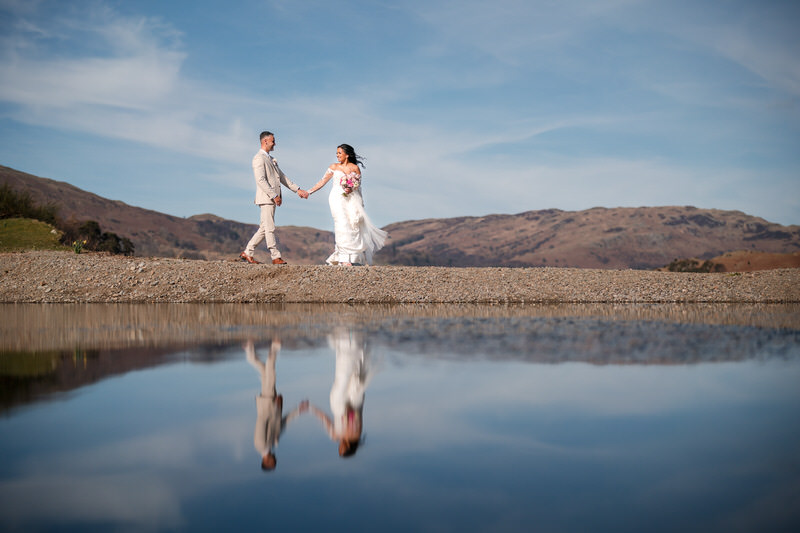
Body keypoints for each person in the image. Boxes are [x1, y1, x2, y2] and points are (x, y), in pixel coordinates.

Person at [307, 144, 387, 266]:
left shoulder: (355, 168)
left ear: (347, 155)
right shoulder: (334, 167)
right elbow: (322, 181)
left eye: (340, 153)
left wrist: (354, 193)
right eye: (337, 153)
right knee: (341, 223)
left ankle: (353, 258)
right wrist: (309, 192)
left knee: (352, 226)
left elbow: (358, 187)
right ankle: (344, 258)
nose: (337, 155)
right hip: (336, 198)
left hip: (351, 200)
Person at [241, 131, 309, 265]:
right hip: (266, 198)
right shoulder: (259, 158)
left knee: (264, 228)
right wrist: (274, 195)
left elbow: (282, 177)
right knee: (270, 227)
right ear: (265, 141)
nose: (275, 143)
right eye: (273, 141)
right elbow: (260, 180)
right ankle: (275, 256)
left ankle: (247, 252)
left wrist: (297, 189)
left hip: (271, 198)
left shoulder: (271, 159)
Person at [308, 328, 375, 457]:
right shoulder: (355, 435)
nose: (340, 446)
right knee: (355, 375)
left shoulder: (336, 436)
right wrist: (349, 414)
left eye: (339, 448)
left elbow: (325, 420)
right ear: (348, 447)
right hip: (352, 404)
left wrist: (312, 408)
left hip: (338, 405)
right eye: (341, 449)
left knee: (343, 373)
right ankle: (353, 339)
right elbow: (356, 418)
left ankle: (344, 338)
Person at [245, 339, 308, 471]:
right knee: (264, 372)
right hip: (271, 402)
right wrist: (298, 410)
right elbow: (284, 422)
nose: (275, 461)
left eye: (273, 464)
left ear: (266, 462)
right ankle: (249, 353)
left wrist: (275, 405)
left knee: (271, 374)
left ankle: (274, 347)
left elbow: (262, 420)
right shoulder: (273, 443)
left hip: (267, 402)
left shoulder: (260, 445)